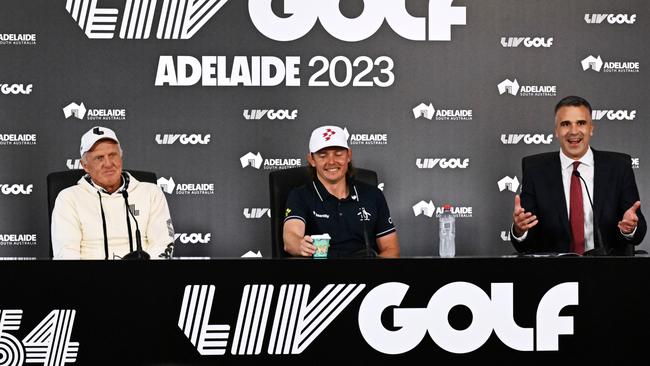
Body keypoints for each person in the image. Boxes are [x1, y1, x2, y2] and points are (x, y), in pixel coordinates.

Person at [511, 96, 646, 255]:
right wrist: (520, 230)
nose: (573, 131)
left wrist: (630, 228)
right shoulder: (535, 169)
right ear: (556, 131)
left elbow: (638, 232)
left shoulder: (618, 166)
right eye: (565, 124)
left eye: (581, 123)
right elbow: (525, 243)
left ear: (591, 128)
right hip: (553, 272)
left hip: (608, 270)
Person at [51, 126, 175, 259]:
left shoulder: (151, 193)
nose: (108, 163)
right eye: (99, 158)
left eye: (112, 155)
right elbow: (66, 253)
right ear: (85, 166)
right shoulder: (69, 198)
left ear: (121, 158)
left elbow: (163, 244)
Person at [283, 125, 400, 258]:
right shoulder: (300, 195)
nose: (331, 161)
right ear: (312, 160)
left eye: (338, 154)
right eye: (322, 156)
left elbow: (391, 248)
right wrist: (300, 245)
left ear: (348, 155)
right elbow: (290, 239)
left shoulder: (373, 195)